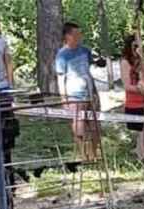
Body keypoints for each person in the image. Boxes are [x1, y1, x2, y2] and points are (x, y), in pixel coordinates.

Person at [55, 22, 100, 161]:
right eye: (76, 34)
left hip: (89, 93)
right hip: (74, 95)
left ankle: (93, 152)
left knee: (95, 126)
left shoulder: (85, 51)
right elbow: (60, 78)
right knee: (78, 125)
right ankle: (83, 154)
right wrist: (64, 99)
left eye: (80, 34)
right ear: (68, 36)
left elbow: (90, 70)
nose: (79, 36)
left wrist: (95, 93)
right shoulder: (62, 55)